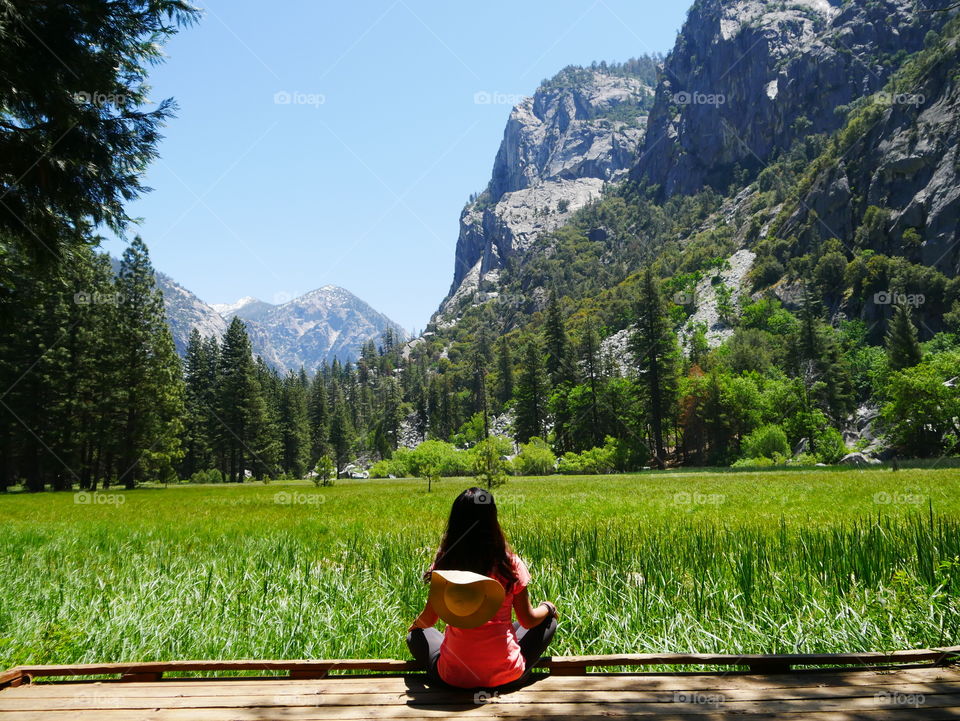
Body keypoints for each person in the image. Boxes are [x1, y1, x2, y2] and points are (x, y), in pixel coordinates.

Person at [406, 486, 558, 688]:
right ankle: (506, 668)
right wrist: (548, 607)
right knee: (547, 622)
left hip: (454, 678)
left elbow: (428, 619)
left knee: (415, 634)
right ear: (492, 519)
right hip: (506, 677)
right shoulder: (509, 564)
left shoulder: (446, 563)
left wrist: (416, 624)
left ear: (456, 521)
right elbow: (528, 620)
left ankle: (461, 653)